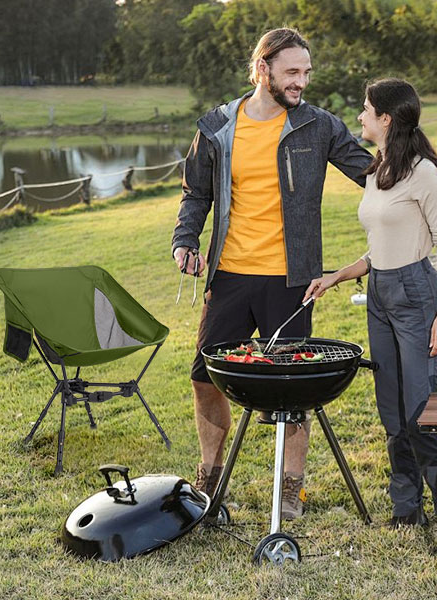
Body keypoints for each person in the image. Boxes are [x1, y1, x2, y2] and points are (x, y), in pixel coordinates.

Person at [170, 27, 371, 520]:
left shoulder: (318, 125)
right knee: (205, 377)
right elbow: (196, 194)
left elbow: (372, 173)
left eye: (306, 72)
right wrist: (185, 241)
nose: (301, 82)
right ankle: (210, 477)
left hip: (291, 280)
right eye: (292, 72)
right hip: (231, 275)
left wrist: (420, 170)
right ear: (263, 70)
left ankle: (290, 489)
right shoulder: (217, 125)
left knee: (292, 387)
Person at [304, 78, 437, 527]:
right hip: (379, 293)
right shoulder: (379, 171)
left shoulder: (426, 174)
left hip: (418, 295)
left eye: (365, 109)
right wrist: (336, 277)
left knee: (424, 407)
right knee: (392, 407)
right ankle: (407, 509)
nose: (359, 116)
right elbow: (380, 246)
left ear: (386, 118)